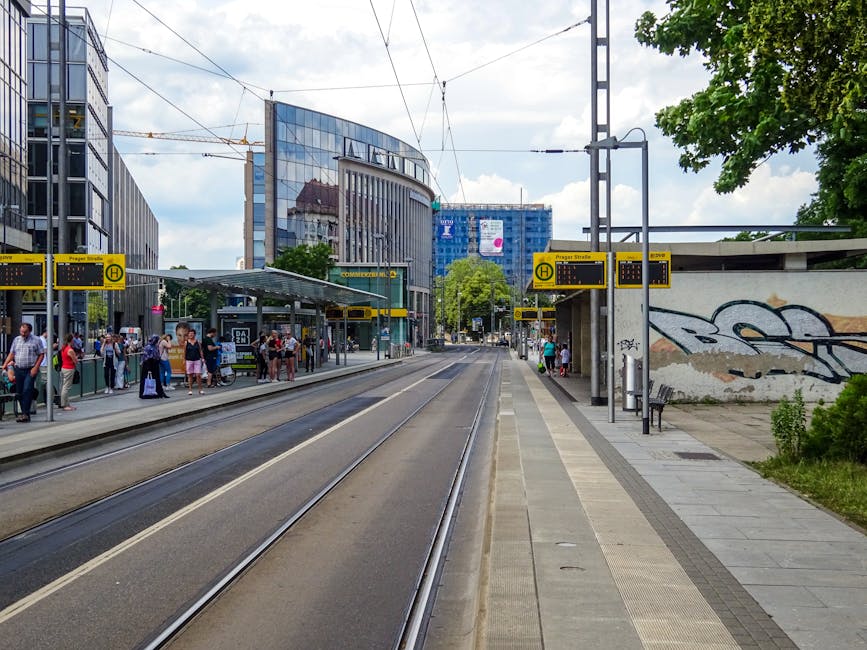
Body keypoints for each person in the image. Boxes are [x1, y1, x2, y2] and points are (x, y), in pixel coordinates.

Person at [2, 323, 44, 422]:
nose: (23, 334)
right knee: (19, 392)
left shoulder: (36, 340)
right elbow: (12, 353)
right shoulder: (17, 340)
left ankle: (25, 413)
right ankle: (24, 413)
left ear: (30, 331)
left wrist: (35, 367)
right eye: (21, 331)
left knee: (27, 389)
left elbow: (41, 354)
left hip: (30, 369)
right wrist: (5, 363)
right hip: (19, 369)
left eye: (25, 332)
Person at [140, 335, 168, 399]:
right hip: (148, 365)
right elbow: (146, 358)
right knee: (147, 379)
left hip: (154, 364)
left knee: (156, 379)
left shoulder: (155, 347)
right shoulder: (148, 347)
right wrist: (148, 367)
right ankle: (145, 393)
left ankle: (159, 392)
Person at [59, 333, 78, 411]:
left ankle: (67, 404)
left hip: (64, 368)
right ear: (71, 340)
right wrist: (76, 358)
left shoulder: (64, 348)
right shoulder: (70, 350)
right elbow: (75, 361)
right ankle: (64, 404)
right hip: (69, 369)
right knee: (66, 387)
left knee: (65, 386)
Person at [184, 329, 205, 395]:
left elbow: (200, 350)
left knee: (198, 375)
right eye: (190, 334)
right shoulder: (186, 342)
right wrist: (184, 360)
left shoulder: (197, 342)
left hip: (197, 360)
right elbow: (184, 352)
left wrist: (202, 358)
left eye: (192, 333)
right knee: (190, 375)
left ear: (194, 334)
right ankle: (190, 389)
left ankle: (200, 389)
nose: (191, 335)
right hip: (189, 360)